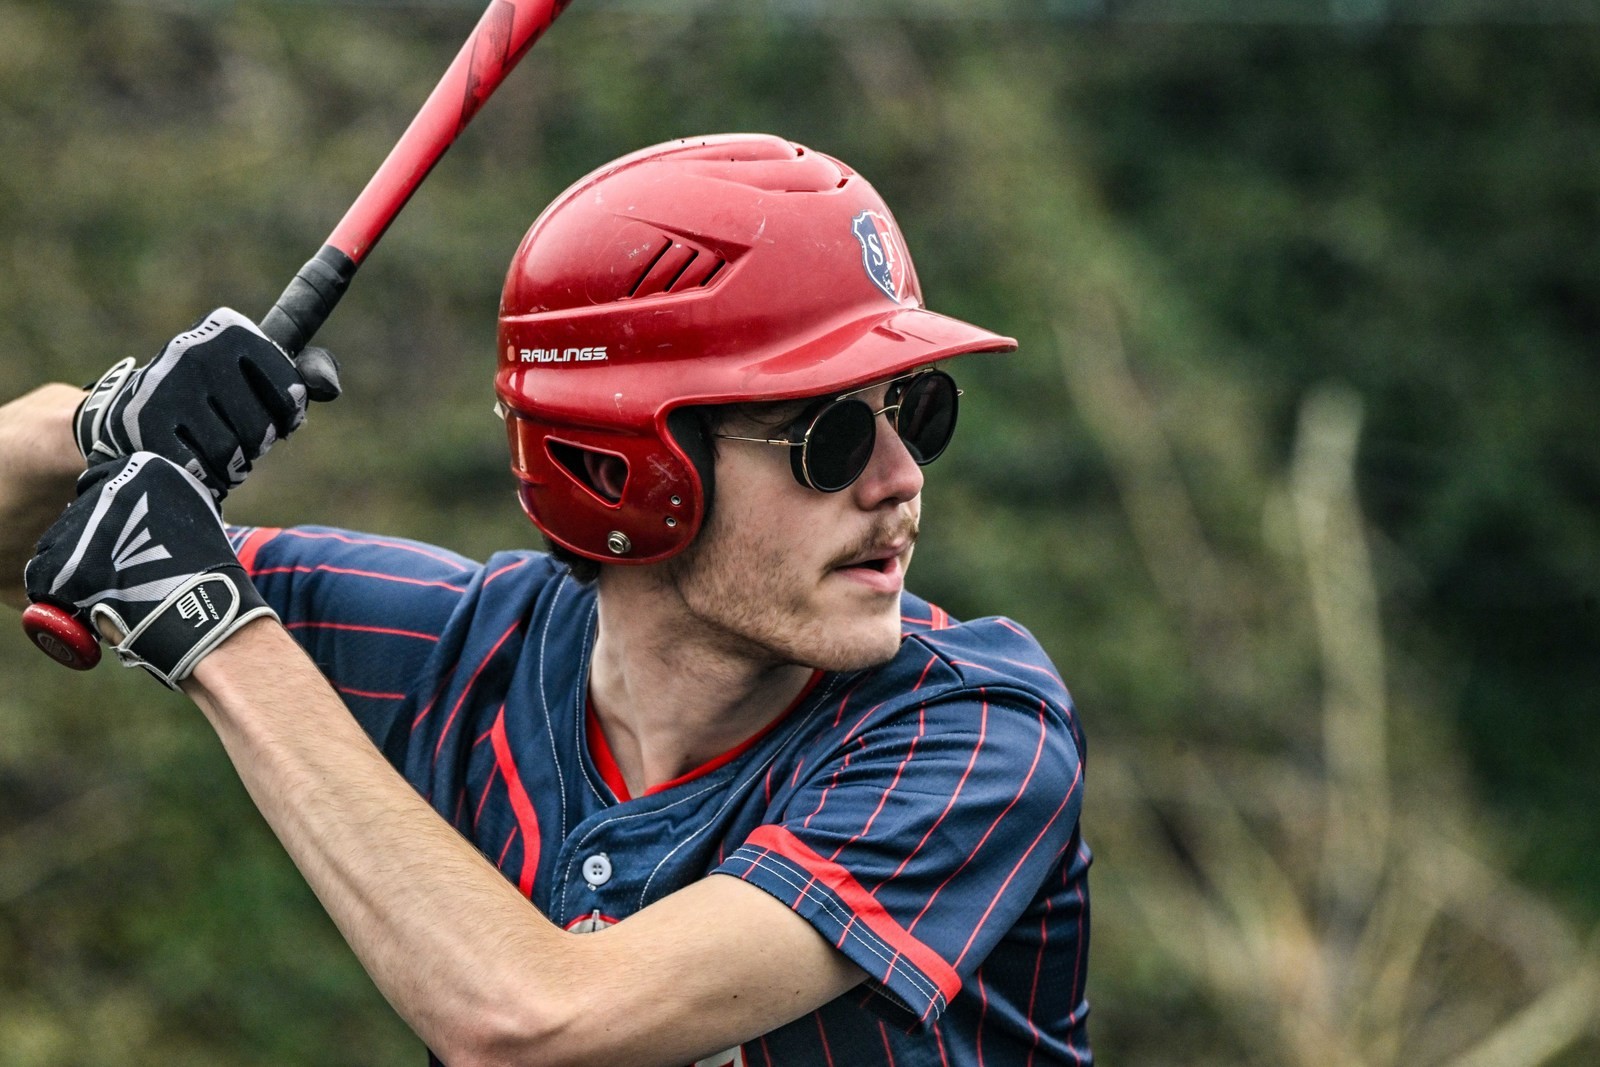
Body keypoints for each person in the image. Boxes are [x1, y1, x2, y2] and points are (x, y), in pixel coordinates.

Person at [2, 134, 1092, 1066]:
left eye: (917, 410)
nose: (901, 476)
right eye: (832, 436)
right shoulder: (459, 646)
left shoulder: (970, 729)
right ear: (625, 468)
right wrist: (101, 423)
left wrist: (215, 631)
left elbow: (531, 1023)